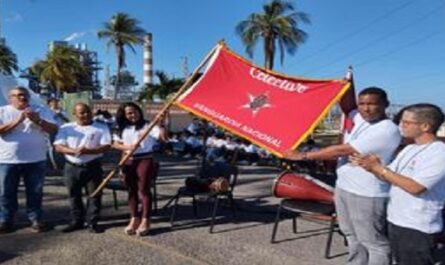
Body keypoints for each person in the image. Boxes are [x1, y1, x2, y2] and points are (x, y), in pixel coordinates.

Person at [284, 86, 402, 265]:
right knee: (350, 234)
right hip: (345, 187)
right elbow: (347, 106)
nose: (365, 108)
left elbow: (342, 150)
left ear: (385, 104)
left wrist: (303, 155)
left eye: (372, 104)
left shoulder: (387, 130)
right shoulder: (360, 117)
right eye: (362, 103)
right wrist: (343, 84)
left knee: (373, 242)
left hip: (367, 193)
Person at [351, 104, 445, 265]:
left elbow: (416, 187)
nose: (401, 126)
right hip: (397, 219)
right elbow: (388, 176)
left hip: (418, 226)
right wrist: (371, 167)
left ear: (425, 126)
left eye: (407, 123)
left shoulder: (438, 152)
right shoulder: (409, 149)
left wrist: (380, 169)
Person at [0, 86, 57, 233]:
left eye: (24, 95)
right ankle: (5, 220)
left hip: (36, 159)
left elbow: (54, 129)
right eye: (17, 95)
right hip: (8, 160)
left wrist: (37, 120)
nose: (21, 97)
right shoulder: (3, 111)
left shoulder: (41, 109)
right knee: (6, 192)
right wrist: (19, 120)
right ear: (10, 98)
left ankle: (35, 219)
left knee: (35, 192)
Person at [54, 103, 111, 233]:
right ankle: (77, 221)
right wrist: (72, 151)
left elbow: (106, 146)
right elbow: (58, 146)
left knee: (94, 195)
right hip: (71, 166)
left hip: (93, 165)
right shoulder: (66, 127)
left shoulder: (101, 127)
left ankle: (92, 222)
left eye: (88, 112)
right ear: (74, 114)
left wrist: (88, 151)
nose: (86, 115)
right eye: (82, 113)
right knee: (74, 195)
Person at [112, 102, 165, 236]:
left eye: (135, 111)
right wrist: (127, 149)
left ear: (139, 111)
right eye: (129, 113)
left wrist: (161, 123)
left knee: (144, 189)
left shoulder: (148, 125)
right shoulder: (121, 128)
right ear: (124, 115)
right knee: (131, 190)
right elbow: (115, 144)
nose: (133, 114)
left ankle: (145, 220)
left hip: (145, 159)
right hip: (128, 160)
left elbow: (163, 137)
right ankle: (134, 218)